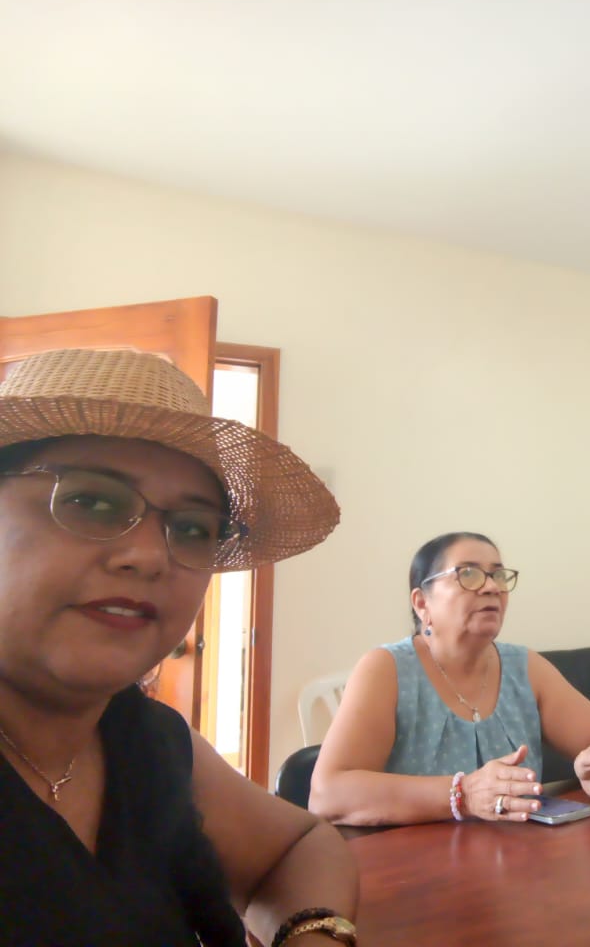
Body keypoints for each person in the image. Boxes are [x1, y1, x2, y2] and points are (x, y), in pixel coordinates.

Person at [0, 347, 358, 947]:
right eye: (91, 501)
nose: (149, 555)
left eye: (192, 528)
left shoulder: (147, 740)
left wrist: (313, 934)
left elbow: (301, 844)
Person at [309, 531, 590, 825]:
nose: (492, 587)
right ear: (422, 603)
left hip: (519, 859)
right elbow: (328, 795)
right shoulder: (386, 669)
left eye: (498, 575)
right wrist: (462, 794)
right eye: (468, 573)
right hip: (412, 865)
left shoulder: (525, 667)